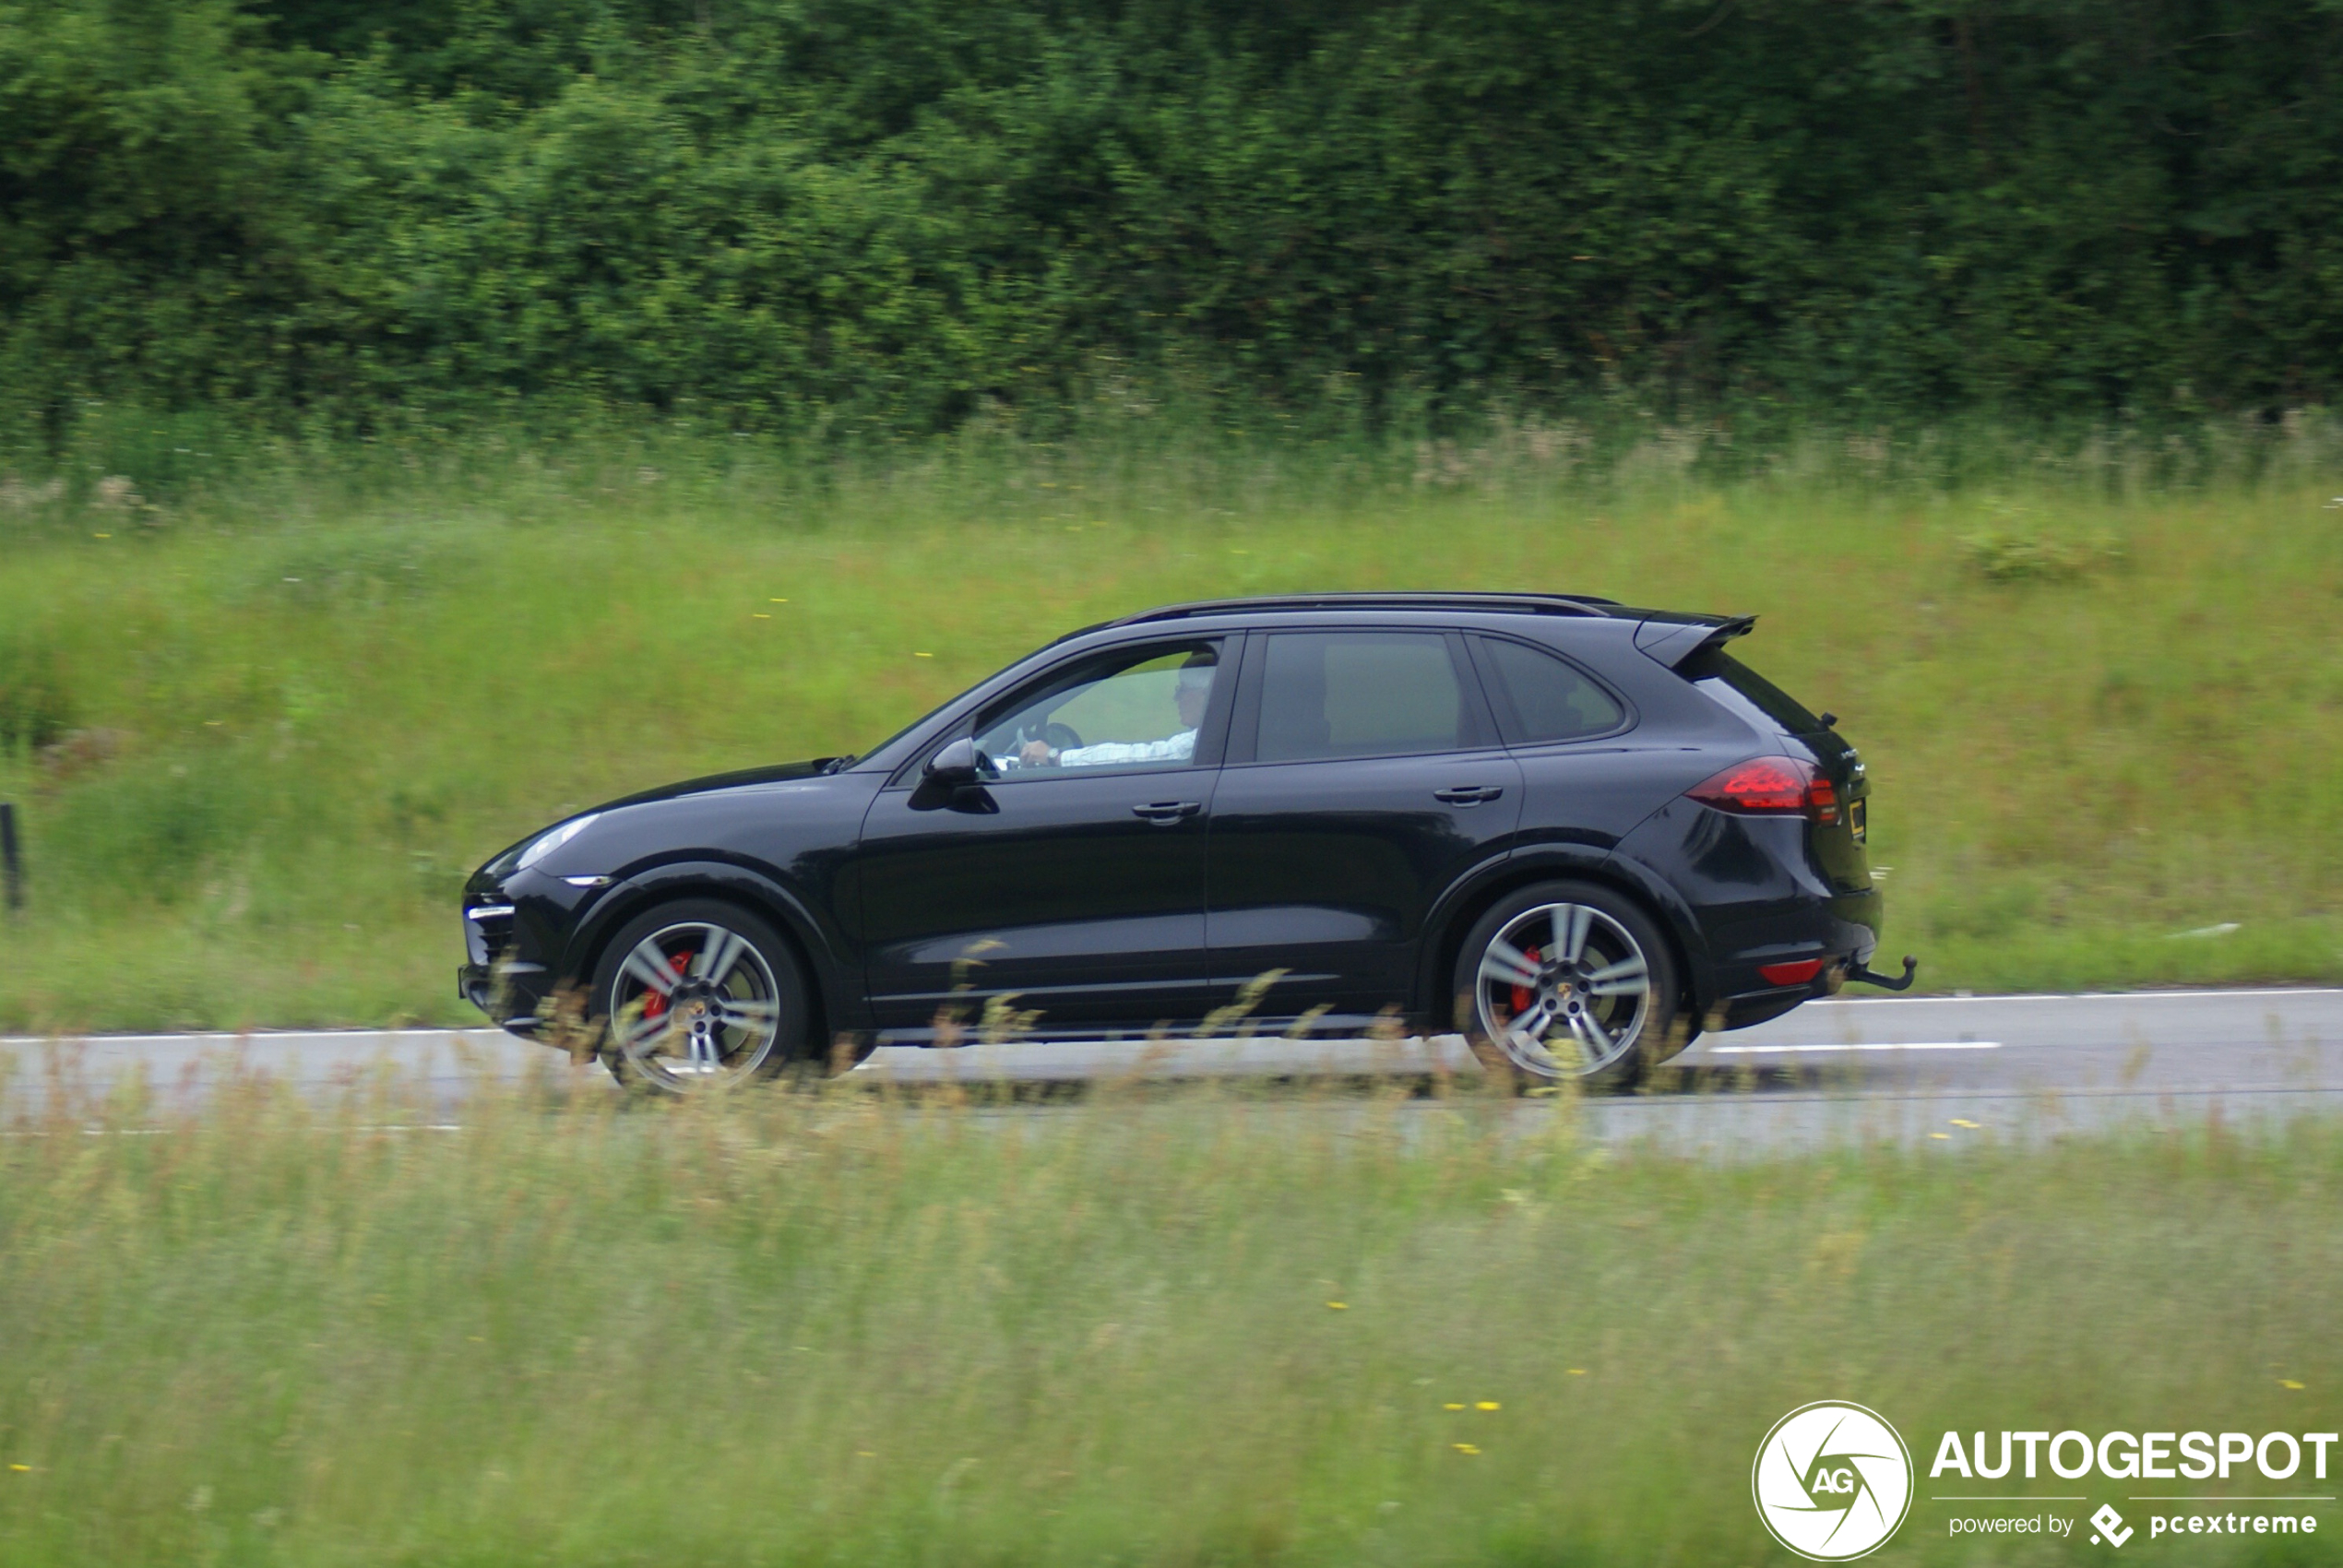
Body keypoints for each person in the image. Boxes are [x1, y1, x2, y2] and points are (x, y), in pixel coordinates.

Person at [997, 649, 1216, 770]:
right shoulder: (1224, 739)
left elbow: (1138, 758)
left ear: (1206, 693)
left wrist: (1054, 756)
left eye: (1183, 690)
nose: (1175, 697)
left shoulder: (1202, 743)